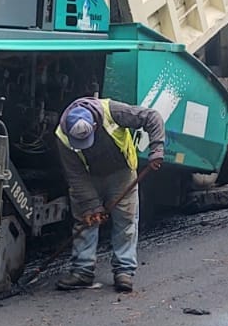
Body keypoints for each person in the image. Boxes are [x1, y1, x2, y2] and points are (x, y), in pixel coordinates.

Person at [54, 96, 164, 294]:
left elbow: (152, 117)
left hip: (121, 173)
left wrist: (156, 149)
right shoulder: (62, 136)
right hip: (88, 176)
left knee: (126, 221)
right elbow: (75, 174)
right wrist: (92, 205)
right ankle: (82, 271)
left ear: (95, 126)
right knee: (86, 219)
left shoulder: (113, 112)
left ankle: (124, 271)